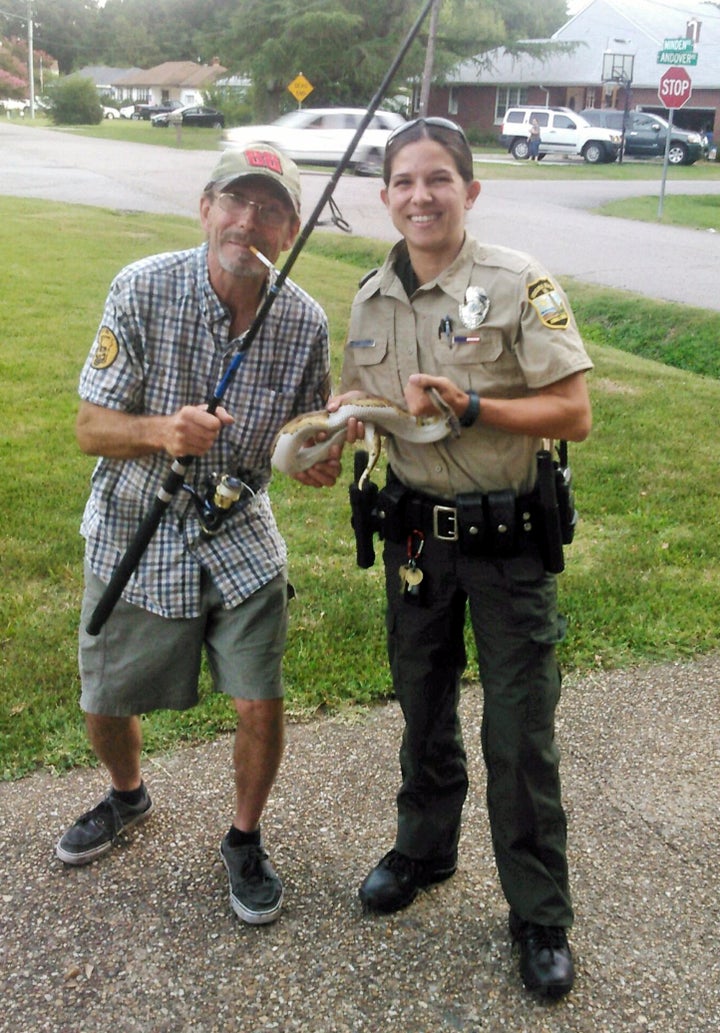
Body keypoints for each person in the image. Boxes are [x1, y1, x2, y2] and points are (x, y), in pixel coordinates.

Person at [332, 117, 592, 997]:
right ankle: (424, 849)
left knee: (519, 732)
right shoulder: (370, 298)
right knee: (422, 706)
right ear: (386, 195)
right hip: (414, 541)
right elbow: (379, 410)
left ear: (470, 191)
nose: (421, 196)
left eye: (439, 179)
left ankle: (540, 911)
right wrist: (342, 426)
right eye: (404, 181)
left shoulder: (519, 283)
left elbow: (573, 412)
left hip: (507, 542)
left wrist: (474, 406)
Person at [55, 144, 341, 926]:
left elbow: (302, 434)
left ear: (288, 228)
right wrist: (161, 430)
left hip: (238, 521)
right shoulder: (141, 288)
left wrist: (316, 460)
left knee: (261, 699)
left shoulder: (305, 320)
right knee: (104, 695)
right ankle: (127, 795)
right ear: (206, 207)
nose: (248, 221)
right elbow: (88, 427)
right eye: (235, 202)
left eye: (271, 209)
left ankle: (243, 838)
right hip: (136, 516)